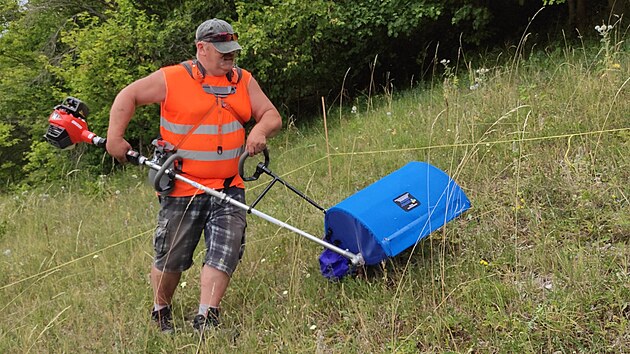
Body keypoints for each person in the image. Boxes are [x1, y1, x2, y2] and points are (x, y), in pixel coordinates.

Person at [105, 18, 282, 334]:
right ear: (201, 48)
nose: (229, 58)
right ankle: (161, 311)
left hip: (230, 186)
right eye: (222, 51)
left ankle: (206, 317)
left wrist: (260, 129)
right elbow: (127, 95)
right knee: (171, 256)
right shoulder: (173, 78)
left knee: (225, 250)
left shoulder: (243, 80)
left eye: (232, 52)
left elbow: (271, 115)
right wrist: (115, 138)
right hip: (183, 187)